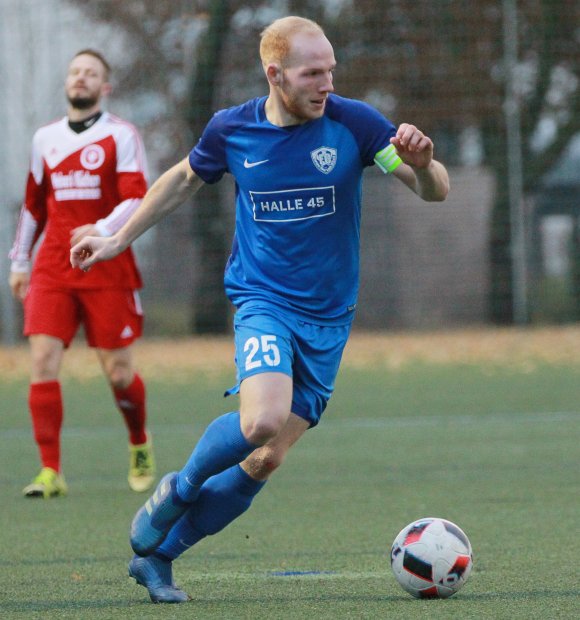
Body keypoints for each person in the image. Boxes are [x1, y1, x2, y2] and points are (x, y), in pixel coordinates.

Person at [71, 17, 449, 604]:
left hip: (328, 321)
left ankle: (159, 559)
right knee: (261, 423)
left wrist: (422, 164)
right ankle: (181, 484)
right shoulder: (234, 130)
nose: (327, 83)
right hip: (262, 301)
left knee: (266, 459)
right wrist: (119, 237)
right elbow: (180, 181)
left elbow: (435, 191)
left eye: (331, 70)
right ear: (276, 75)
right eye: (312, 73)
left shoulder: (356, 124)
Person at [9, 49, 156, 498]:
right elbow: (34, 204)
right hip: (54, 265)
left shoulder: (121, 135)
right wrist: (19, 261)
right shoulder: (45, 139)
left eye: (91, 73)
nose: (81, 78)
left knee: (117, 373)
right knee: (41, 361)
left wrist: (104, 231)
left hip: (106, 262)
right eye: (75, 71)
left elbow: (137, 197)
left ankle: (138, 441)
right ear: (67, 81)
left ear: (104, 87)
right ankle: (50, 471)